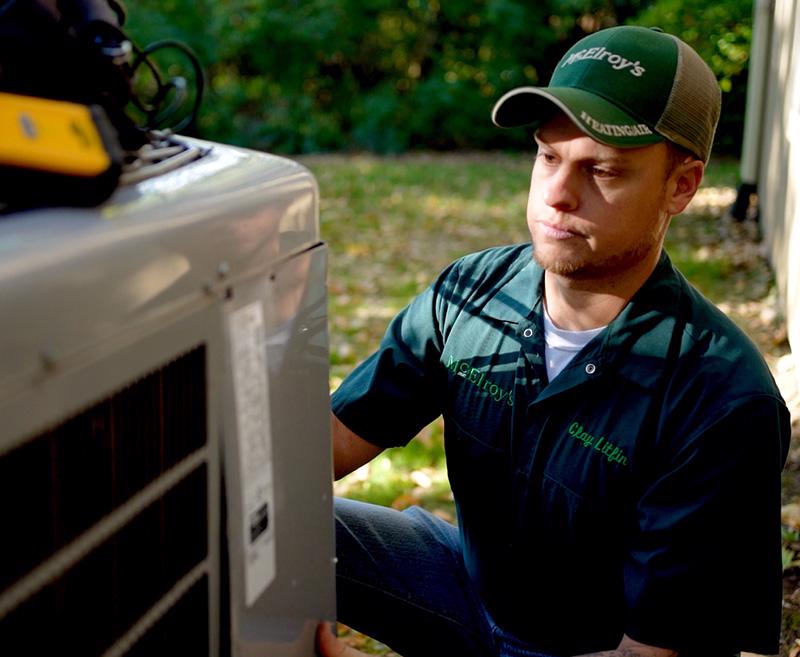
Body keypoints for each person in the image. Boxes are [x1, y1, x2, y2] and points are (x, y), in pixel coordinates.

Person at [318, 25, 791, 657]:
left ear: (681, 185)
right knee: (253, 519)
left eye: (602, 169)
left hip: (586, 647)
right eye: (548, 156)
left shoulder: (720, 399)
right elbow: (330, 442)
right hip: (469, 584)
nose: (558, 196)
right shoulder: (471, 292)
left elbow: (651, 655)